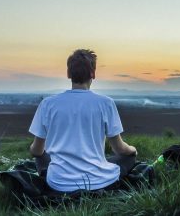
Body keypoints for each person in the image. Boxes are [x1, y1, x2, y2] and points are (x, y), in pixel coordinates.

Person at [28, 49, 137, 192]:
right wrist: (133, 150)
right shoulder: (106, 103)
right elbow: (120, 149)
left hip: (58, 183)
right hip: (98, 182)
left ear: (68, 74)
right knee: (128, 158)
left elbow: (36, 150)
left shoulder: (48, 104)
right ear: (93, 74)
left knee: (41, 155)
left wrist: (45, 152)